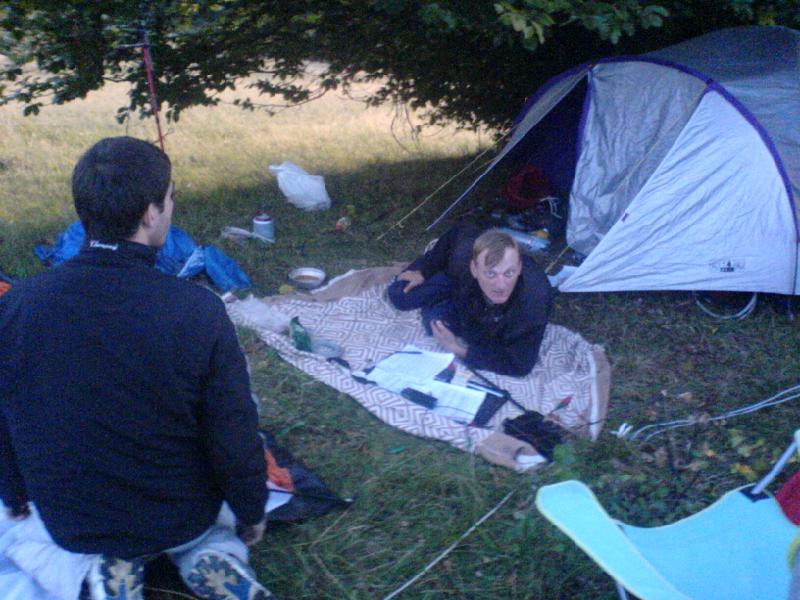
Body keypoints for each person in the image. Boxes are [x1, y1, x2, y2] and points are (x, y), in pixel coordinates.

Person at [0, 137, 274, 600]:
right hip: (183, 517)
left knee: (20, 535)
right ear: (150, 213)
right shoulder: (197, 309)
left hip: (76, 522)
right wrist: (252, 511)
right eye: (170, 198)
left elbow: (4, 414)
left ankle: (97, 573)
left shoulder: (16, 306)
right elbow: (233, 429)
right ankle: (214, 555)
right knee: (216, 529)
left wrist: (13, 493)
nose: (171, 208)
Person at [388, 223, 553, 377]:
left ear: (519, 268)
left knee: (473, 337)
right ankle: (442, 294)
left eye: (508, 273)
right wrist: (425, 271)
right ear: (474, 268)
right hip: (460, 284)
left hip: (483, 314)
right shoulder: (464, 255)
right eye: (491, 274)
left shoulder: (534, 300)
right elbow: (457, 232)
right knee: (400, 296)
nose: (501, 285)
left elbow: (520, 365)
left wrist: (457, 349)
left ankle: (444, 307)